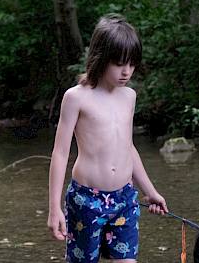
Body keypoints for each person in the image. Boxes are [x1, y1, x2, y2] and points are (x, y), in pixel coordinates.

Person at [47, 14, 168, 263]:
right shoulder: (76, 97)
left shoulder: (129, 97)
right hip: (86, 200)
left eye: (132, 64)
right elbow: (60, 153)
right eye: (119, 64)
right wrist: (54, 208)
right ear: (101, 58)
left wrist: (150, 191)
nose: (127, 72)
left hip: (124, 198)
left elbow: (128, 147)